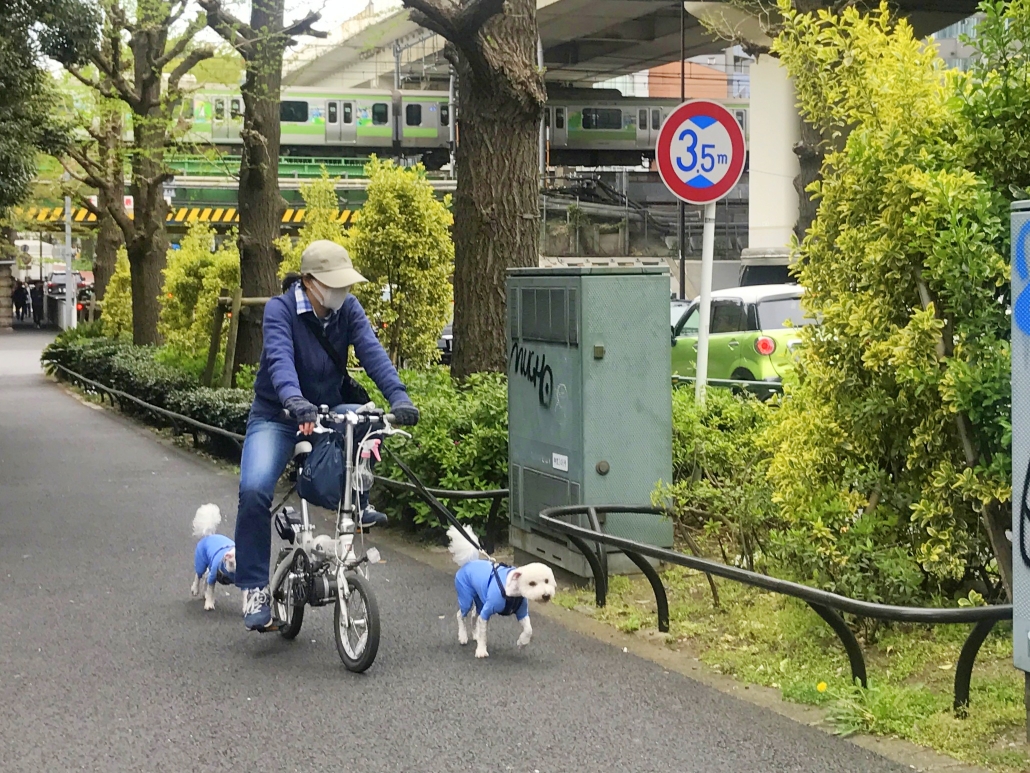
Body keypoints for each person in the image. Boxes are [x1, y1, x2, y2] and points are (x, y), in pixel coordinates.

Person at [235, 240, 420, 631]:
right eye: (334, 284)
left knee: (368, 420)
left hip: (327, 409)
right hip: (278, 413)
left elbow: (372, 352)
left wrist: (399, 397)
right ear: (309, 282)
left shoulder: (347, 310)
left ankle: (357, 499)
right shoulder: (279, 310)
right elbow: (280, 360)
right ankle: (254, 586)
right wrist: (294, 401)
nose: (342, 291)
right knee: (253, 490)